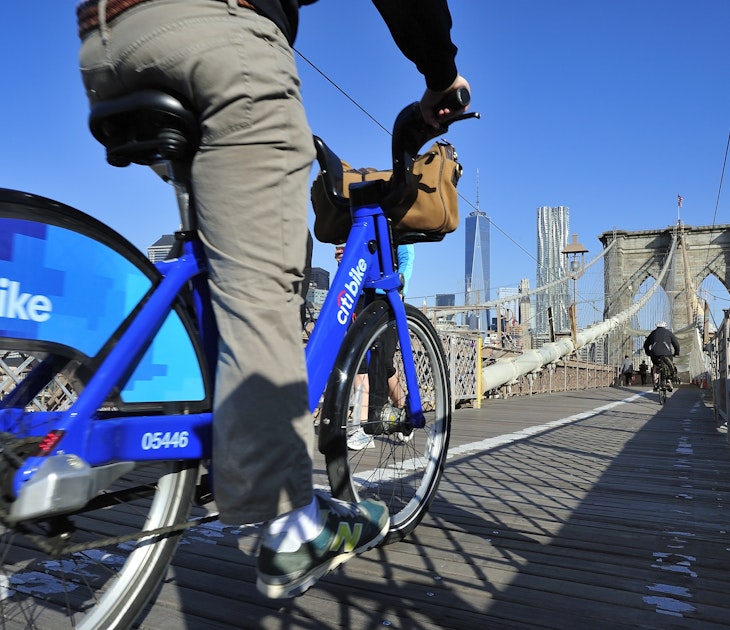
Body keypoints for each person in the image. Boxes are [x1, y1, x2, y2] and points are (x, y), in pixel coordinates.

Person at [76, 0, 469, 600]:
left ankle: (210, 421)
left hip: (109, 41)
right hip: (215, 29)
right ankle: (291, 524)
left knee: (217, 258)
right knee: (267, 276)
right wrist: (441, 74)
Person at [643, 321, 680, 391]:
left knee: (655, 366)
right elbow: (676, 344)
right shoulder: (669, 333)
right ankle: (668, 380)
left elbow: (646, 345)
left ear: (656, 326)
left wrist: (649, 353)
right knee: (669, 365)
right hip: (667, 354)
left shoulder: (653, 333)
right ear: (665, 326)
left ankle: (655, 382)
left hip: (655, 354)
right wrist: (676, 353)